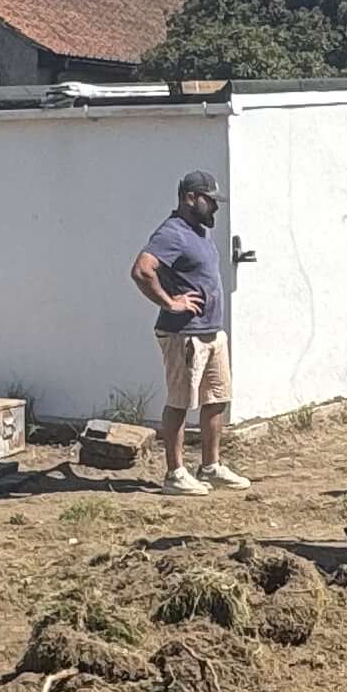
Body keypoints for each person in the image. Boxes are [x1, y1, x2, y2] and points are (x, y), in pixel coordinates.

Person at [132, 169, 247, 494]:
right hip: (184, 334)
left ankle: (210, 466)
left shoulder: (198, 232)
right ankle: (175, 473)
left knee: (217, 398)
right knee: (181, 402)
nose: (215, 207)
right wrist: (171, 303)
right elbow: (142, 269)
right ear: (190, 198)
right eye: (210, 200)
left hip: (211, 331)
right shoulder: (173, 233)